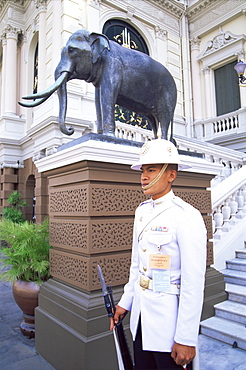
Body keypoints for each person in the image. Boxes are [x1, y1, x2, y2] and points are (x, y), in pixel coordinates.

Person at [110, 136, 207, 370]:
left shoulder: (186, 216)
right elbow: (137, 266)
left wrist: (186, 337)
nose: (144, 177)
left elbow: (193, 282)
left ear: (171, 175)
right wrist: (125, 302)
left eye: (151, 170)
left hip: (169, 325)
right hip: (141, 319)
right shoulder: (141, 212)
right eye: (143, 170)